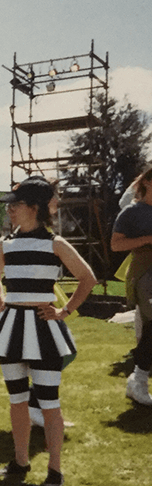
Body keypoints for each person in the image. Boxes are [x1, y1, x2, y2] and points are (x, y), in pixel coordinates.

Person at [0, 177, 96, 486]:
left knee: (49, 401)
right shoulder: (5, 244)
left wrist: (64, 311)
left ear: (34, 208)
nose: (10, 210)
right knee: (17, 399)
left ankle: (55, 469)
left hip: (45, 331)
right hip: (11, 330)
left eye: (15, 205)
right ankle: (20, 462)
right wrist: (1, 301)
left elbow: (88, 278)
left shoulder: (55, 244)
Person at [111, 164, 152, 406]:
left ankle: (137, 380)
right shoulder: (131, 213)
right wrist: (148, 239)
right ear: (147, 183)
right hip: (145, 273)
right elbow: (116, 245)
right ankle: (138, 381)